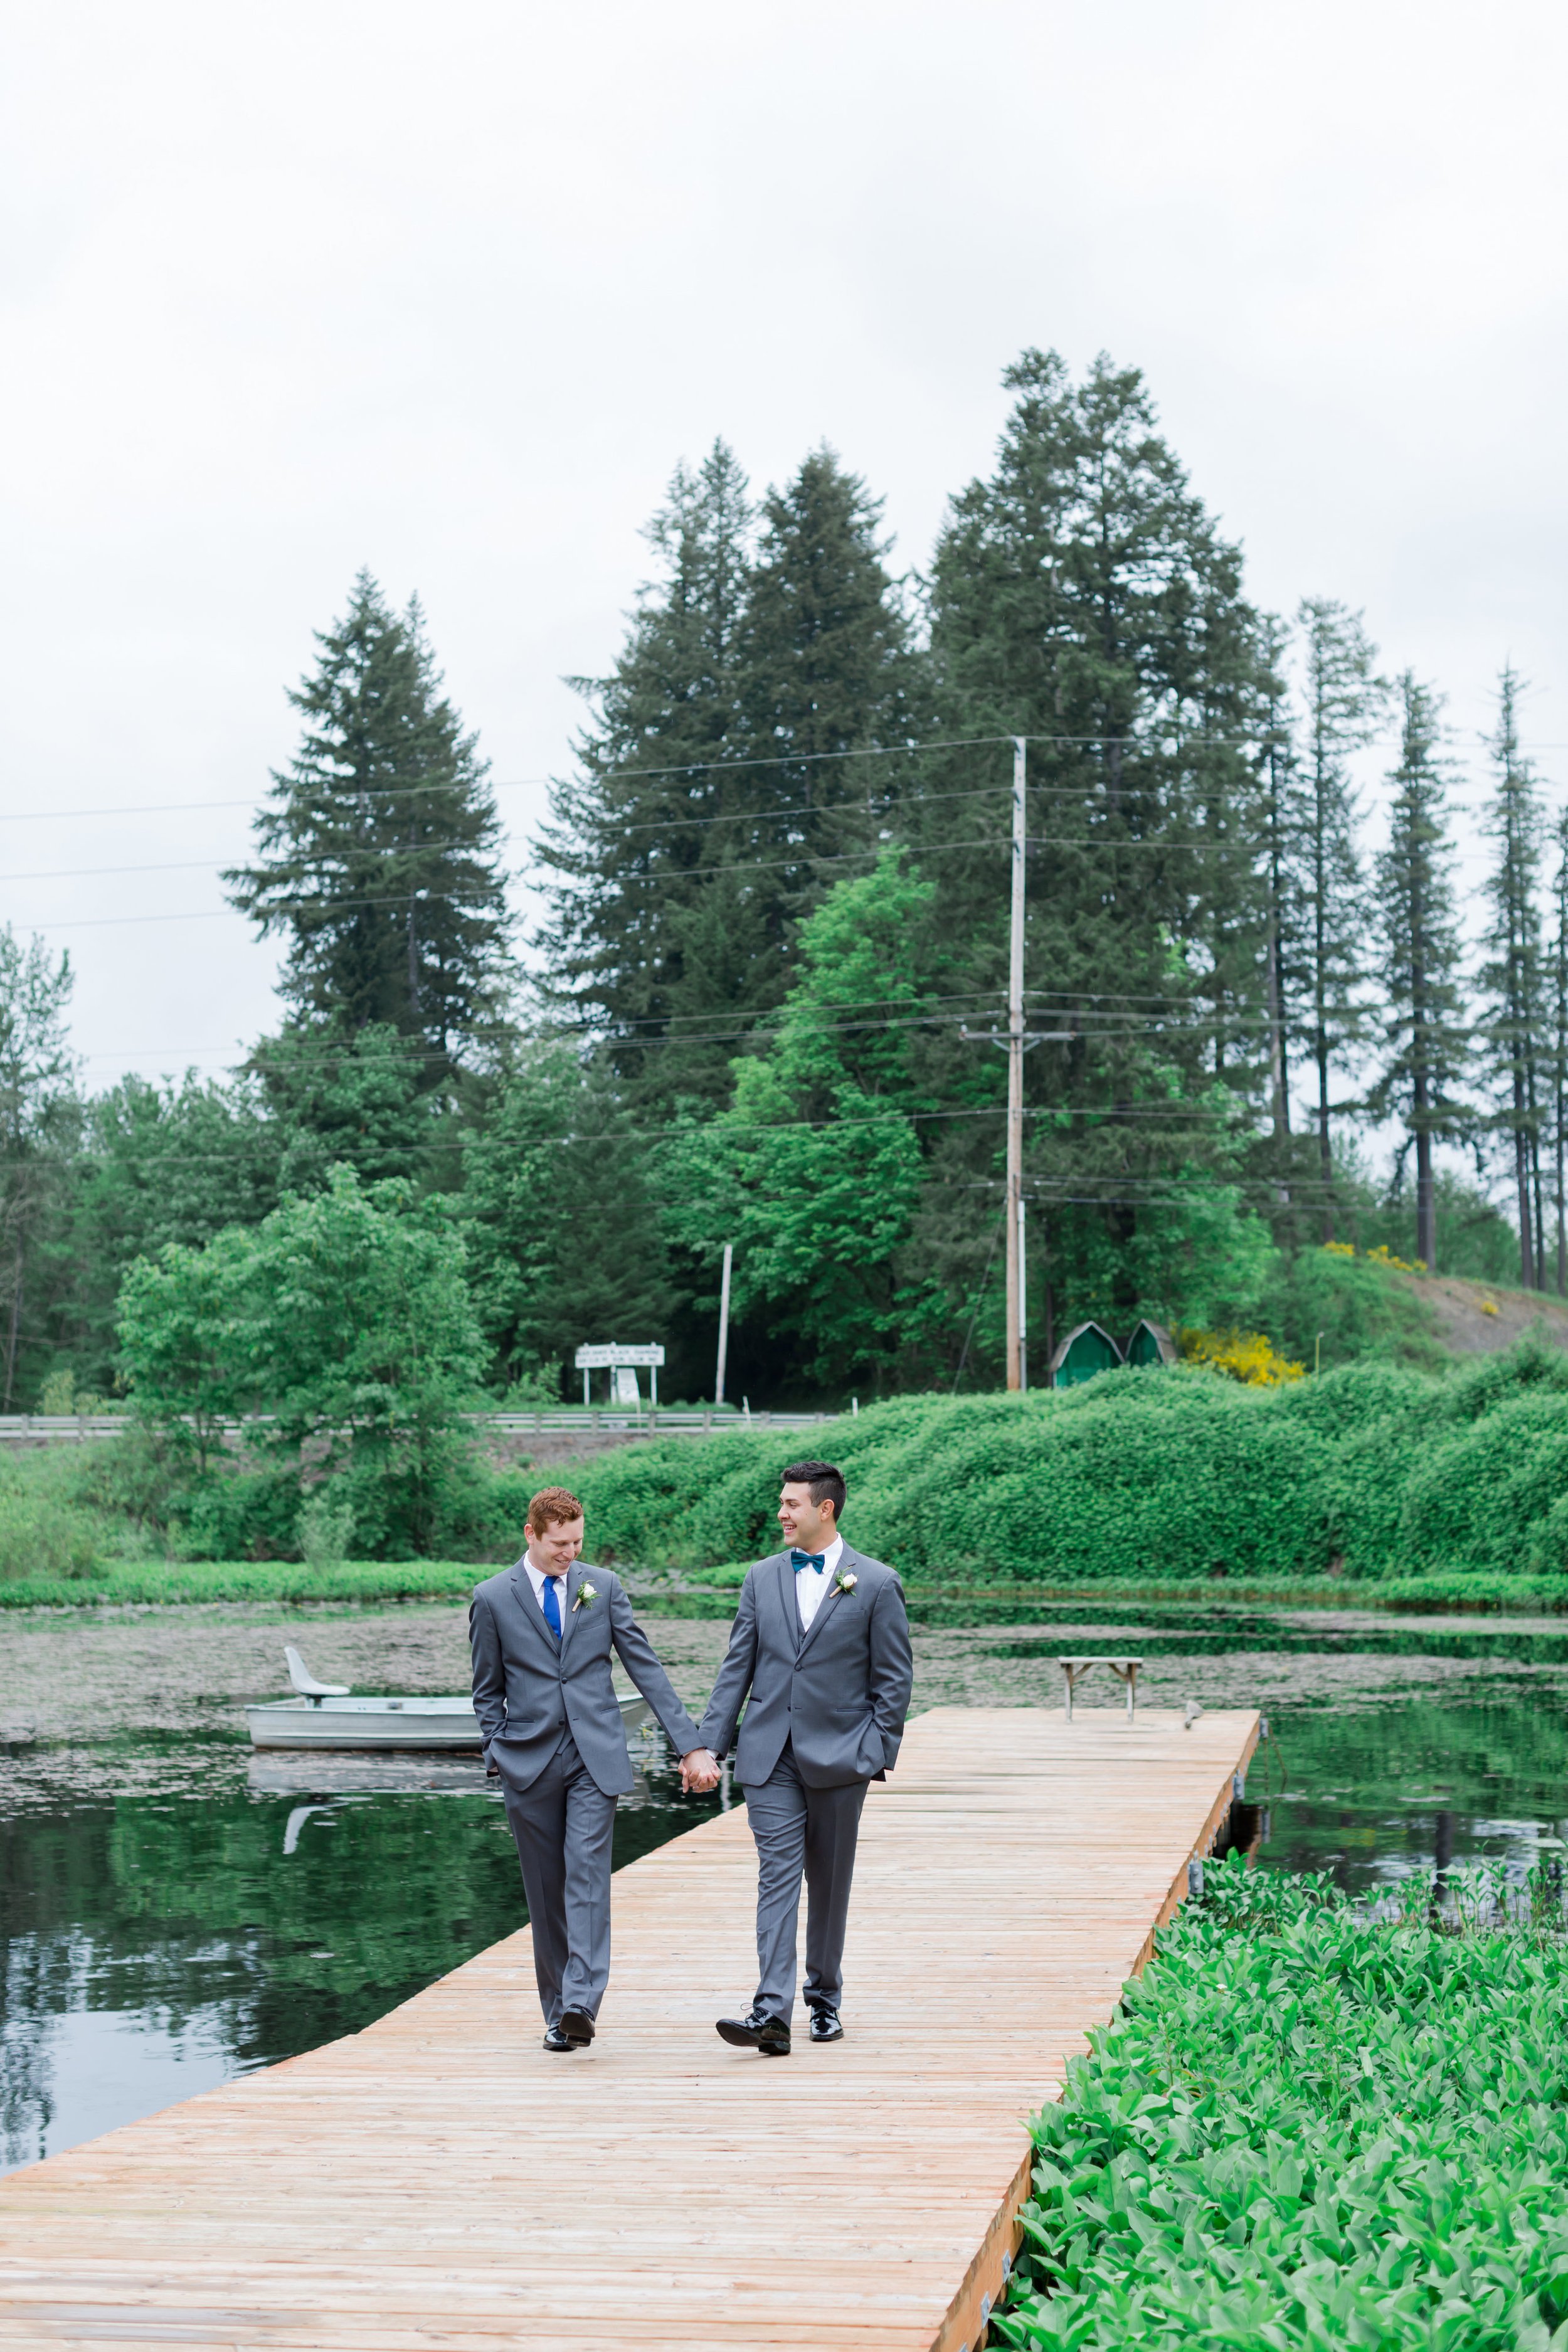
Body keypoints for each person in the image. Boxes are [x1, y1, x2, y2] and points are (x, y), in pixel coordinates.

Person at [683, 1459, 914, 2056]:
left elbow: (893, 1683)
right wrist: (708, 1743)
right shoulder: (761, 1578)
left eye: (791, 1504)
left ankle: (825, 1999)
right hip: (768, 1755)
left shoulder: (878, 1583)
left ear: (825, 1510)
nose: (781, 1513)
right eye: (782, 1503)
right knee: (777, 1877)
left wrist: (874, 1751)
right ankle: (771, 2012)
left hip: (841, 1759)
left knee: (830, 1882)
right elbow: (737, 1666)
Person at [470, 1485, 712, 2053]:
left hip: (593, 1757)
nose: (570, 1554)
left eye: (578, 1542)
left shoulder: (602, 1588)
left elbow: (645, 1668)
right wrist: (496, 1750)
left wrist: (690, 1745)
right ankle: (557, 2015)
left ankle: (581, 2000)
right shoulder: (491, 1598)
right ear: (531, 1534)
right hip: (526, 1761)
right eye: (559, 1544)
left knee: (586, 1876)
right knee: (545, 1892)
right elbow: (486, 1690)